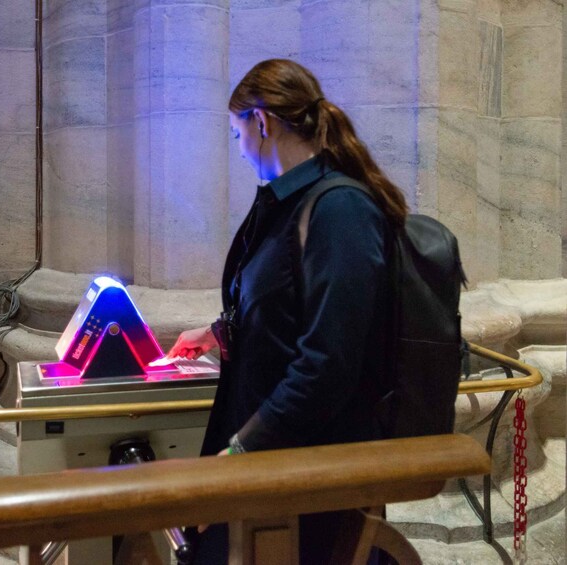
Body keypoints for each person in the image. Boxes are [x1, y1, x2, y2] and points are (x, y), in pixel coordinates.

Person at [168, 59, 408, 563]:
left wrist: (240, 455)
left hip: (307, 468)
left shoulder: (340, 210)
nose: (238, 150)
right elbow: (285, 301)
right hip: (272, 451)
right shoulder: (287, 204)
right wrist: (218, 332)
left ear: (262, 122)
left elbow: (327, 363)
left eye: (237, 134)